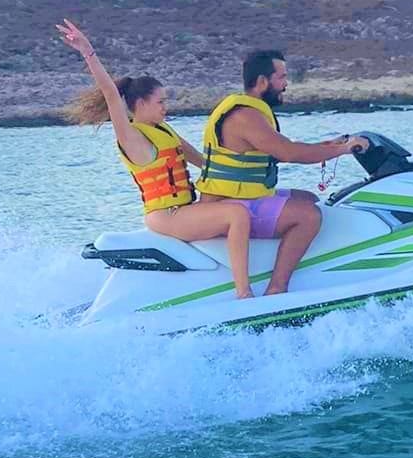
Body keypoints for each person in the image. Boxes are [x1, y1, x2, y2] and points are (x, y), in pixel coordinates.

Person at [58, 19, 256, 299]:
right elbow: (111, 95)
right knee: (237, 216)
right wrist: (87, 52)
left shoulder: (163, 130)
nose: (167, 107)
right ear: (140, 105)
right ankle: (244, 293)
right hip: (168, 216)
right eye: (161, 102)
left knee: (241, 202)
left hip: (186, 209)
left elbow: (205, 162)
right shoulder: (133, 138)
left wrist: (249, 169)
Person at [198, 48, 369, 296]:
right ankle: (277, 288)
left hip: (243, 196)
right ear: (262, 82)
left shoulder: (251, 111)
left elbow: (284, 147)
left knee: (308, 198)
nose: (286, 84)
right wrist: (342, 150)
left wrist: (329, 145)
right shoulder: (245, 116)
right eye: (282, 77)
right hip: (228, 204)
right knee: (308, 216)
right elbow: (287, 153)